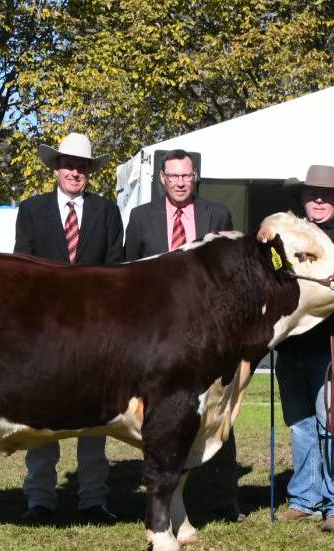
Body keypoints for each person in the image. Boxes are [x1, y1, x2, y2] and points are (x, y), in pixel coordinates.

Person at [122, 149, 243, 522]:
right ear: (161, 179)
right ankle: (161, 494)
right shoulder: (141, 219)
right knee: (163, 415)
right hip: (157, 338)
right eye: (172, 176)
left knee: (216, 412)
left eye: (186, 176)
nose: (179, 182)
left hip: (207, 337)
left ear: (195, 178)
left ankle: (224, 498)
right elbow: (128, 277)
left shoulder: (217, 215)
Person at [14, 132, 123, 523]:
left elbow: (115, 271)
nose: (75, 172)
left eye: (82, 166)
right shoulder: (31, 210)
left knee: (95, 419)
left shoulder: (107, 212)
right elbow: (22, 270)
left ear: (89, 172)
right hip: (45, 332)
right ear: (56, 168)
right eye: (68, 164)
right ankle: (40, 499)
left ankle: (93, 500)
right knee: (43, 417)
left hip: (95, 333)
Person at [274, 165, 334, 533]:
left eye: (326, 194)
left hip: (331, 344)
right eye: (312, 193)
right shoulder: (288, 237)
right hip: (292, 345)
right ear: (302, 197)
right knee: (300, 426)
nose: (318, 200)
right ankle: (304, 499)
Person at [123, 150, 233, 260]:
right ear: (162, 177)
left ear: (194, 176)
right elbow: (129, 268)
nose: (180, 184)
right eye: (174, 176)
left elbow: (227, 265)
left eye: (186, 176)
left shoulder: (219, 216)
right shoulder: (140, 217)